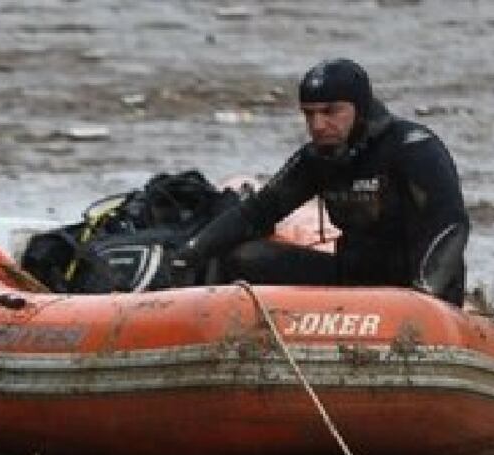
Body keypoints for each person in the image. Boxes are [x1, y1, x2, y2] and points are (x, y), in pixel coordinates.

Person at [183, 58, 470, 305]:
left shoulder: (413, 148)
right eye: (310, 114)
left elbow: (451, 226)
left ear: (360, 109)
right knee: (243, 257)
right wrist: (192, 252)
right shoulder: (316, 159)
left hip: (415, 286)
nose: (318, 125)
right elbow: (257, 213)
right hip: (354, 279)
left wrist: (426, 295)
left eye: (331, 112)